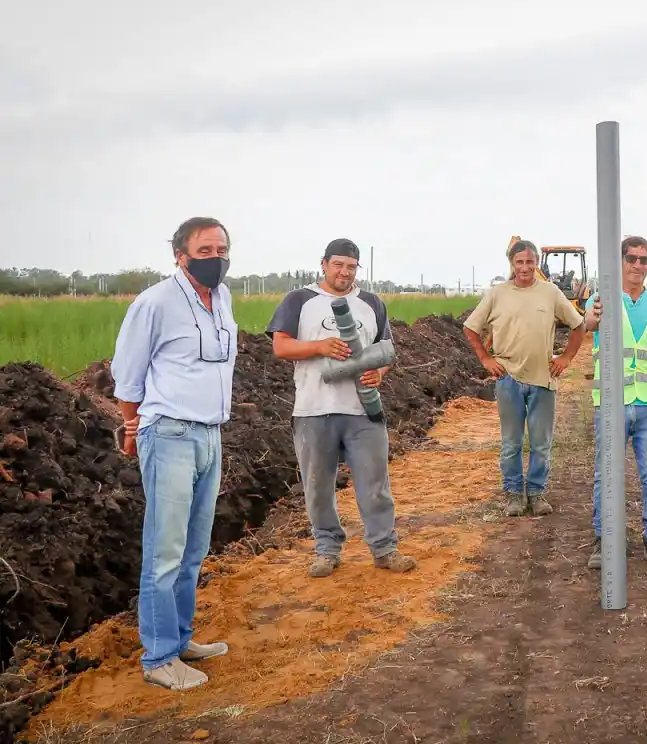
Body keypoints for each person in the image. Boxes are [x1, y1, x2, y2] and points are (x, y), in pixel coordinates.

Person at [110, 217, 238, 691]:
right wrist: (132, 426)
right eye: (204, 250)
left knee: (193, 549)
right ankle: (159, 657)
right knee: (165, 551)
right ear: (180, 256)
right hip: (169, 434)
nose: (215, 258)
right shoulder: (155, 302)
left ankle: (181, 639)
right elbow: (128, 374)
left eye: (221, 249)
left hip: (209, 435)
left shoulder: (223, 298)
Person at [266, 239, 417, 578]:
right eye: (338, 265)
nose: (344, 272)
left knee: (374, 484)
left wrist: (379, 373)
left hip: (363, 411)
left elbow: (386, 350)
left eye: (351, 266)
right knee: (318, 487)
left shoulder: (371, 303)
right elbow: (281, 346)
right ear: (323, 264)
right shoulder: (300, 300)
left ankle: (384, 548)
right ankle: (327, 550)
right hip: (313, 409)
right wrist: (320, 346)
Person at [463, 239, 587, 516]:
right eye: (519, 262)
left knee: (541, 443)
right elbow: (470, 328)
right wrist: (485, 358)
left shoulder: (551, 292)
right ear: (512, 264)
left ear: (537, 263)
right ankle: (513, 495)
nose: (525, 267)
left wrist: (566, 357)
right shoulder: (497, 294)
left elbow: (578, 325)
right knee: (512, 443)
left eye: (530, 262)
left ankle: (536, 493)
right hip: (508, 379)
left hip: (543, 379)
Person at [582, 236, 647, 570]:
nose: (638, 265)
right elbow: (588, 324)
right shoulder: (601, 300)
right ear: (620, 261)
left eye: (644, 260)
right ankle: (604, 539)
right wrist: (591, 317)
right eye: (632, 258)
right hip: (612, 403)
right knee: (607, 473)